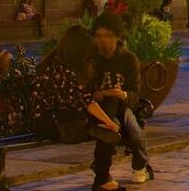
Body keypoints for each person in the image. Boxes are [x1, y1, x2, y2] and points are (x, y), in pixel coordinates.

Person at [28, 26, 131, 185]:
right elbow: (83, 100)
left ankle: (103, 174)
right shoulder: (61, 69)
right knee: (106, 129)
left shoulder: (57, 63)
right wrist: (109, 122)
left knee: (109, 114)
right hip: (52, 123)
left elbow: (81, 98)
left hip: (64, 117)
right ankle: (102, 177)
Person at [87, 14, 150, 188]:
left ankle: (140, 165)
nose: (103, 41)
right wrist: (96, 93)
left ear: (116, 36)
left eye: (107, 36)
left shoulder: (128, 59)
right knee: (107, 130)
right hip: (101, 109)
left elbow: (136, 94)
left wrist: (122, 94)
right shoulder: (92, 61)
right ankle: (102, 173)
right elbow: (85, 89)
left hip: (123, 106)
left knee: (134, 131)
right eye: (99, 36)